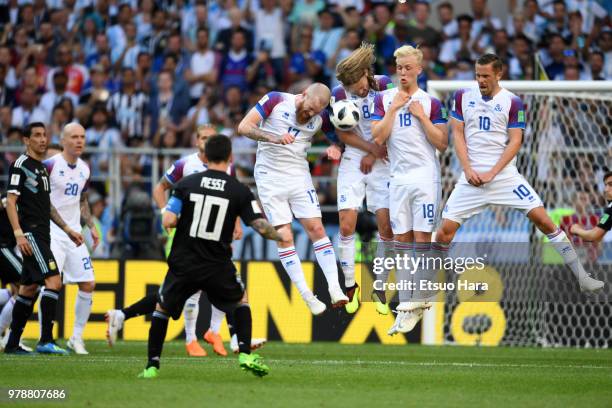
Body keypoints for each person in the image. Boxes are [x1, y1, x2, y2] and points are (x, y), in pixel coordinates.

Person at [429, 54, 604, 328]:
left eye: (486, 75)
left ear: (498, 74)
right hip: (470, 179)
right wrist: (468, 168)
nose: (481, 80)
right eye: (478, 75)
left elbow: (516, 141)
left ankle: (583, 277)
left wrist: (492, 173)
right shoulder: (463, 95)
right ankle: (425, 287)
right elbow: (458, 134)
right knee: (444, 232)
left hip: (505, 177)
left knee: (544, 220)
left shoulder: (513, 102)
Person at [138, 135, 289, 378]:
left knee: (162, 309)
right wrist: (280, 237)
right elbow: (259, 224)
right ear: (230, 157)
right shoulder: (239, 190)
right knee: (241, 300)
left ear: (205, 156)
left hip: (184, 261)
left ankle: (152, 366)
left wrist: (180, 218)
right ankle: (245, 354)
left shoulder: (185, 184)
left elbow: (168, 219)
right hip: (217, 263)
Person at [106, 126, 265, 356]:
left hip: (215, 234)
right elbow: (160, 187)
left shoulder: (226, 168)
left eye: (210, 138)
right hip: (183, 235)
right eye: (202, 137)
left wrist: (237, 224)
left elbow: (233, 198)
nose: (206, 141)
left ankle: (123, 315)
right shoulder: (185, 165)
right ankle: (201, 338)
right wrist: (165, 215)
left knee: (197, 287)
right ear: (196, 141)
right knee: (191, 288)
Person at [238, 83, 348, 315]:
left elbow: (339, 138)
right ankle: (307, 296)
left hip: (298, 175)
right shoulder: (275, 100)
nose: (309, 115)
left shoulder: (322, 119)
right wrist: (273, 138)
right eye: (308, 109)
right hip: (269, 176)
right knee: (284, 235)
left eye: (314, 113)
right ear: (304, 94)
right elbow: (244, 127)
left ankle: (335, 288)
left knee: (317, 228)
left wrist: (336, 147)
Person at [372, 45, 449, 335]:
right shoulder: (385, 99)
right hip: (398, 180)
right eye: (399, 68)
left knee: (421, 240)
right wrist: (393, 109)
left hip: (425, 178)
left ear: (419, 69)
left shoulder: (429, 102)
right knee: (400, 242)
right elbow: (378, 137)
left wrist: (421, 116)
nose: (403, 73)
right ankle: (406, 308)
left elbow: (441, 143)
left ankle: (418, 300)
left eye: (408, 68)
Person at [4, 122, 84, 355]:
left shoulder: (40, 168)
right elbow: (11, 202)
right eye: (36, 135)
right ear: (26, 141)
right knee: (54, 281)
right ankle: (46, 340)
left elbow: (47, 206)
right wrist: (19, 234)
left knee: (28, 289)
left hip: (43, 232)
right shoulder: (20, 166)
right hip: (30, 233)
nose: (42, 139)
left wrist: (68, 229)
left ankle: (12, 343)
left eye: (44, 135)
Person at [331, 43, 395, 315]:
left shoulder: (384, 85)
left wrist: (376, 151)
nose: (354, 88)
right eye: (348, 84)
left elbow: (393, 121)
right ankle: (350, 286)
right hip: (354, 160)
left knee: (386, 227)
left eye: (356, 81)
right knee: (346, 226)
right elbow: (343, 134)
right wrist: (370, 150)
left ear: (366, 72)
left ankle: (380, 286)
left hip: (383, 162)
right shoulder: (338, 94)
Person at [42, 123, 99, 354]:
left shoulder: (85, 168)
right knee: (46, 285)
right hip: (52, 233)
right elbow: (40, 201)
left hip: (74, 233)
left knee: (88, 283)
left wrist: (91, 226)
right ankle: (38, 337)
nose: (79, 141)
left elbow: (82, 199)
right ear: (63, 140)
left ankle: (76, 338)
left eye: (82, 137)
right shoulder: (49, 166)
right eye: (74, 137)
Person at [0, 193, 30, 352]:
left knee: (18, 290)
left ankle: (8, 338)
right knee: (26, 284)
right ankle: (6, 338)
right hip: (2, 246)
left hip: (8, 247)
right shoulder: (10, 195)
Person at [570, 171, 612, 242]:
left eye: (611, 185)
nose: (606, 189)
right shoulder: (567, 218)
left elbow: (595, 235)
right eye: (606, 185)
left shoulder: (597, 217)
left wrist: (576, 230)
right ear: (574, 201)